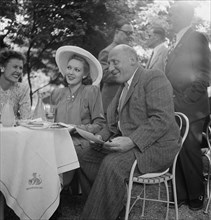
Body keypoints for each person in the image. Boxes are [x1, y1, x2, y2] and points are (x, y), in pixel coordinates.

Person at [78, 44, 181, 220]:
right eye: (109, 63)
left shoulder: (153, 77)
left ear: (132, 60)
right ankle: (112, 207)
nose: (110, 68)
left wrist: (132, 140)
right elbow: (112, 126)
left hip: (157, 147)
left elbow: (161, 118)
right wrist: (98, 138)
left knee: (112, 163)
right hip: (134, 144)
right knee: (82, 154)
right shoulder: (123, 87)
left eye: (115, 62)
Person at [165, 1, 211, 211]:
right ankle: (181, 194)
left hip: (192, 109)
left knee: (190, 152)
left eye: (174, 13)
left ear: (185, 15)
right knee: (178, 151)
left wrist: (184, 101)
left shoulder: (196, 37)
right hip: (176, 107)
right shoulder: (176, 41)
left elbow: (204, 75)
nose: (170, 17)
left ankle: (196, 195)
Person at [51, 45, 106, 185]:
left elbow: (99, 124)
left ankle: (58, 188)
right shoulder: (57, 93)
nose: (71, 72)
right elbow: (51, 120)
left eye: (77, 70)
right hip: (56, 139)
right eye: (69, 68)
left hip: (79, 141)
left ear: (85, 74)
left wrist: (76, 128)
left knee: (63, 149)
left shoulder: (91, 91)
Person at [98, 19, 134, 116]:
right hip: (110, 104)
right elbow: (104, 75)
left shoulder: (130, 52)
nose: (130, 36)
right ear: (117, 32)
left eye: (131, 33)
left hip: (125, 106)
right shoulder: (107, 52)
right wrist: (127, 72)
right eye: (127, 33)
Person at [0, 49, 31, 120]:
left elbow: (26, 119)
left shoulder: (23, 88)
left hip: (13, 129)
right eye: (15, 67)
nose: (19, 71)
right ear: (2, 67)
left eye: (21, 68)